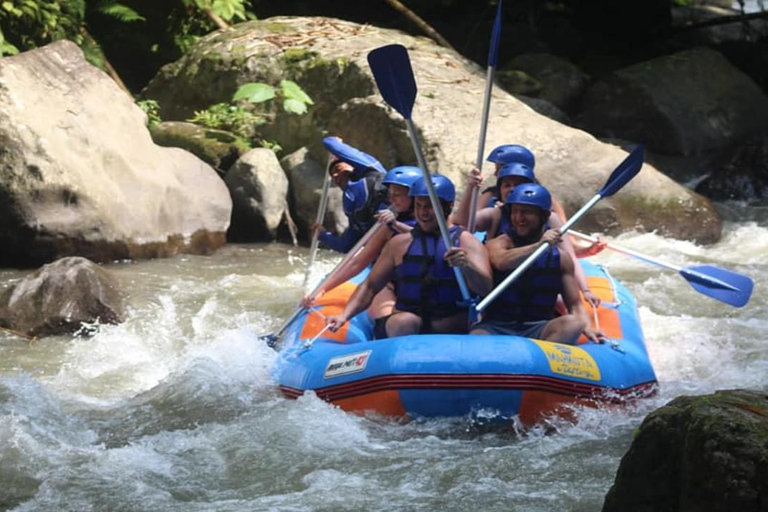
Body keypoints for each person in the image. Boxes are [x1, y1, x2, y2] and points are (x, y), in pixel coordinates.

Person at [326, 174, 493, 338]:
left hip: (449, 329)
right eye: (418, 206)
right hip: (406, 326)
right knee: (405, 321)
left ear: (448, 206)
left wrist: (466, 266)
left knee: (466, 323)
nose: (422, 212)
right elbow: (370, 286)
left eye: (429, 206)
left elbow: (485, 289)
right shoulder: (399, 243)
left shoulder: (467, 242)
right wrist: (344, 316)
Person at [470, 183, 604, 345]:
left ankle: (541, 361)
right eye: (515, 211)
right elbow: (502, 261)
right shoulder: (497, 244)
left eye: (526, 212)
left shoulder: (560, 258)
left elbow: (575, 305)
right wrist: (538, 246)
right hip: (496, 326)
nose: (519, 218)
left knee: (573, 323)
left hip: (539, 327)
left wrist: (587, 327)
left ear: (544, 216)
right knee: (477, 335)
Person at [302, 166, 422, 323]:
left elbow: (427, 236)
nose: (391, 199)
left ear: (415, 196)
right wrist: (322, 290)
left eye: (398, 195)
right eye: (390, 194)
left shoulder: (438, 223)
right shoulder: (387, 226)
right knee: (391, 321)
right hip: (390, 285)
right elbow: (357, 263)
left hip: (423, 289)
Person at [453, 143, 606, 259]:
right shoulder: (491, 196)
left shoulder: (548, 202)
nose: (494, 172)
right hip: (499, 257)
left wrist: (587, 250)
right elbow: (465, 225)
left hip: (534, 258)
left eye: (498, 168)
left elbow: (567, 242)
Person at [313, 138, 389, 253]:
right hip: (383, 252)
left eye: (339, 169)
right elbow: (347, 246)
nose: (335, 176)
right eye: (333, 176)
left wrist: (336, 142)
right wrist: (322, 235)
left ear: (352, 166)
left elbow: (329, 143)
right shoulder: (350, 204)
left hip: (399, 233)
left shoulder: (370, 167)